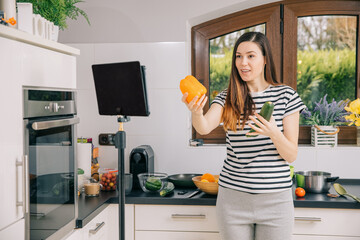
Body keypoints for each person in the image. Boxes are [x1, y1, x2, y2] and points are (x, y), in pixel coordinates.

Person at [181, 32, 305, 240]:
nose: (243, 62)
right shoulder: (228, 96)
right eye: (238, 56)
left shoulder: (286, 96)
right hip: (233, 199)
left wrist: (273, 132)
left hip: (276, 202)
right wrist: (195, 112)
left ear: (265, 59)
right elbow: (204, 127)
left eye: (250, 56)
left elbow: (291, 155)